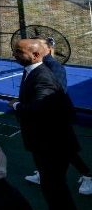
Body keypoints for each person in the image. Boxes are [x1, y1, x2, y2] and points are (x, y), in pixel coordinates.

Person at [9, 38, 81, 210]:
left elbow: (38, 110)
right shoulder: (32, 71)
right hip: (46, 143)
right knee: (53, 189)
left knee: (55, 189)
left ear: (35, 55)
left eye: (18, 51)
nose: (14, 54)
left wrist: (16, 105)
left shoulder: (43, 77)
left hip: (52, 145)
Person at [22, 36, 92, 196]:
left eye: (38, 45)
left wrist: (27, 107)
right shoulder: (31, 64)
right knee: (40, 148)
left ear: (47, 49)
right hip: (39, 118)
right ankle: (43, 173)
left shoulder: (54, 67)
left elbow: (54, 94)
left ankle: (87, 175)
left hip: (55, 119)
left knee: (66, 149)